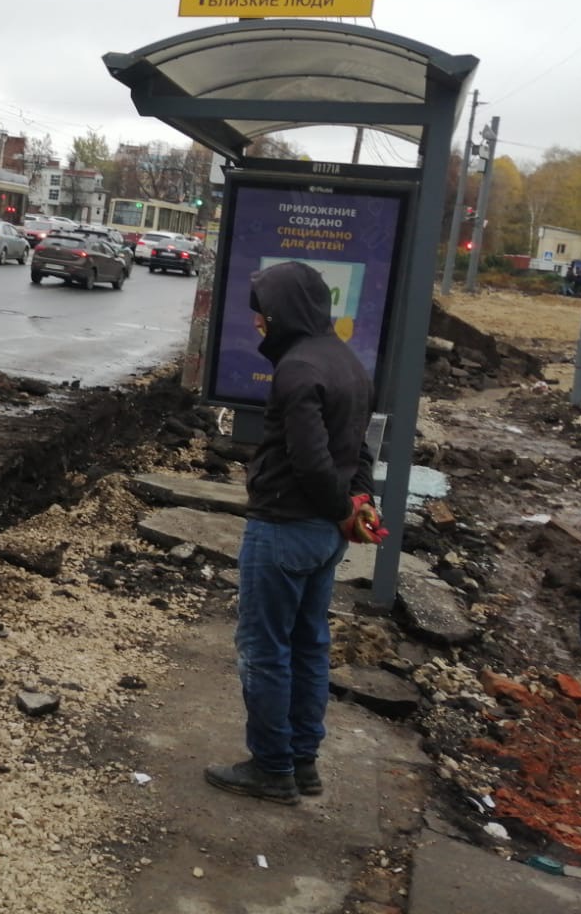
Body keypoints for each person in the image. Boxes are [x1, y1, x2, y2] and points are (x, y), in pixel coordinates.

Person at [206, 260, 384, 805]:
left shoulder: (298, 368)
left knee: (263, 650)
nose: (258, 323)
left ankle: (271, 768)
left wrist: (335, 508)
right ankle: (303, 762)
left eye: (263, 313)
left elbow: (309, 462)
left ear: (284, 311)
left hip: (285, 529)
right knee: (309, 645)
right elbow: (358, 452)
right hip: (324, 540)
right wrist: (352, 507)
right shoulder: (347, 363)